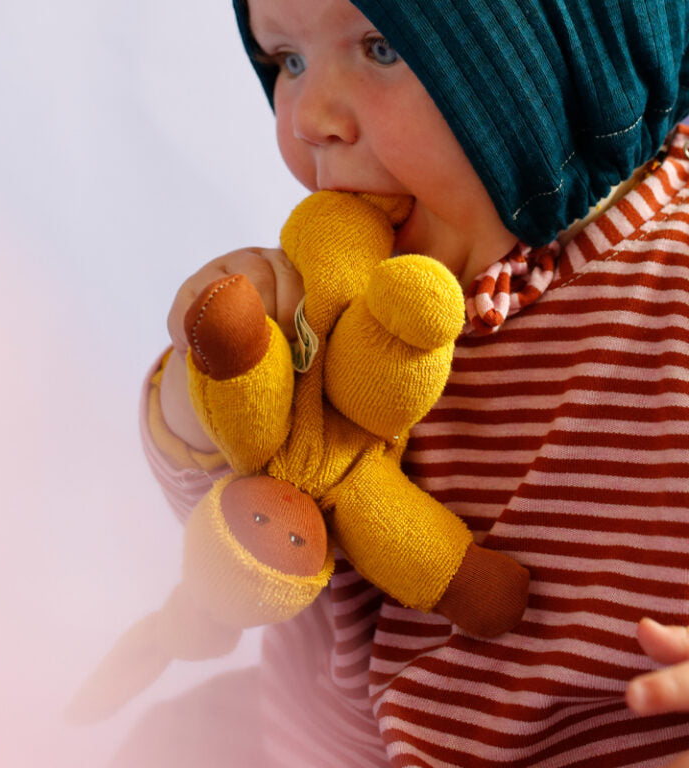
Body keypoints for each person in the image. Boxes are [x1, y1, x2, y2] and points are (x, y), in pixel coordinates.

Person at [129, 0, 689, 765]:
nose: (311, 120)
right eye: (288, 60)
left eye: (381, 48)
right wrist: (214, 369)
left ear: (562, 64)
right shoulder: (340, 299)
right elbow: (240, 531)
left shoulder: (669, 286)